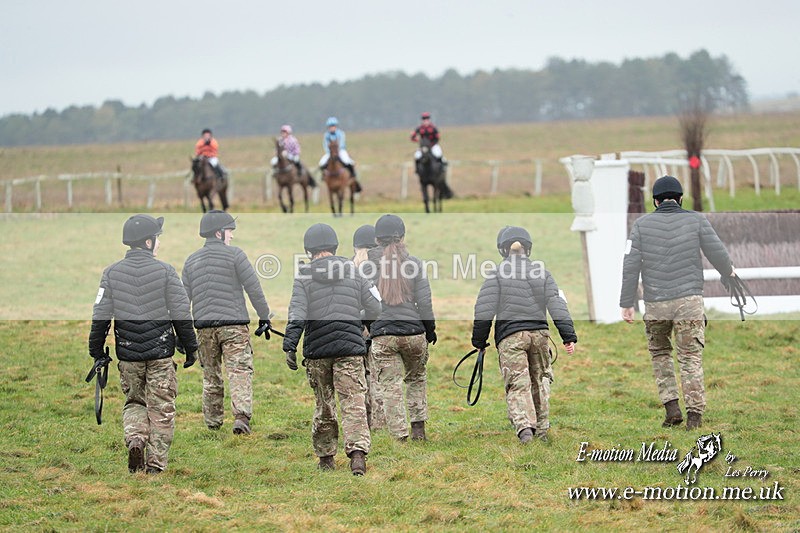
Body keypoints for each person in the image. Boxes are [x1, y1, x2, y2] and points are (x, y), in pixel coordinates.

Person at [620, 175, 735, 430]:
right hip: (689, 301)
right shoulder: (696, 220)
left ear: (655, 201)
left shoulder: (640, 225)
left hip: (655, 302)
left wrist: (627, 302)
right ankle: (694, 416)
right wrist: (729, 273)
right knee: (690, 357)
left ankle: (671, 407)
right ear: (680, 199)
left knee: (660, 353)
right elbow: (717, 251)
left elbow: (630, 265)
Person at [89, 214, 198, 474]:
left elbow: (100, 315)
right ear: (148, 242)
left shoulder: (111, 273)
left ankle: (136, 439)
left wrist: (95, 349)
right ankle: (155, 465)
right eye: (157, 239)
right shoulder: (166, 271)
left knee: (135, 402)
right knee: (162, 407)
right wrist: (190, 347)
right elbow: (181, 313)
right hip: (160, 353)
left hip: (128, 354)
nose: (158, 243)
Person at [283, 223, 382, 475]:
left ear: (309, 250)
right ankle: (358, 456)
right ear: (334, 247)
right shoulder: (353, 270)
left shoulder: (304, 275)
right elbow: (375, 307)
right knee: (353, 402)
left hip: (317, 350)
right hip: (350, 348)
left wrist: (290, 345)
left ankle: (326, 458)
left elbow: (297, 314)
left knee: (324, 404)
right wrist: (362, 323)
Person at [472, 226, 577, 444]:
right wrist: (568, 335)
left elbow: (483, 310)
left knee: (518, 383)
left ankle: (525, 430)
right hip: (539, 335)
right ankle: (542, 430)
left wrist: (479, 341)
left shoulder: (496, 274)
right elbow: (557, 304)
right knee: (540, 381)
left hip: (511, 337)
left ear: (502, 250)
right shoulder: (543, 273)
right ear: (528, 248)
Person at [181, 210, 272, 435]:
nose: (232, 236)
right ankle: (241, 417)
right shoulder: (236, 255)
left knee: (211, 373)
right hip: (234, 326)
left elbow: (183, 301)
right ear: (220, 233)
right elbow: (254, 287)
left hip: (203, 328)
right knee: (239, 371)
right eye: (230, 231)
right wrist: (264, 316)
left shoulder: (191, 261)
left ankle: (213, 421)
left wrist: (181, 333)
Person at [367, 214, 436, 442]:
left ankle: (399, 436)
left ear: (376, 240)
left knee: (390, 386)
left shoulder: (368, 266)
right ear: (403, 237)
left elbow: (363, 302)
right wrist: (430, 329)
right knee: (416, 379)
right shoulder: (414, 263)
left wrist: (370, 328)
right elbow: (425, 302)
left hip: (383, 335)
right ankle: (419, 430)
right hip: (414, 332)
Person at [352, 224, 386, 430]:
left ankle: (364, 419)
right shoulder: (386, 265)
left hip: (356, 327)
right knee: (378, 375)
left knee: (359, 376)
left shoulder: (349, 266)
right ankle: (380, 423)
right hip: (379, 326)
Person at [319, 116, 359, 181]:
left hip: (340, 151)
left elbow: (342, 143)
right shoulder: (326, 135)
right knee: (321, 162)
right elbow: (325, 144)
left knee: (346, 160)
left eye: (333, 126)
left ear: (336, 126)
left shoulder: (341, 133)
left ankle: (352, 174)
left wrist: (337, 151)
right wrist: (329, 151)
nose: (332, 128)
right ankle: (323, 175)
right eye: (330, 126)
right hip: (330, 152)